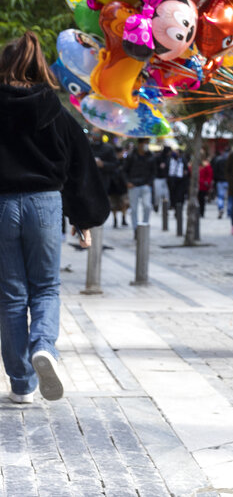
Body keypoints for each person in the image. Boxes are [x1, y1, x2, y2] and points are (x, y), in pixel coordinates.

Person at [0, 31, 109, 403]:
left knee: (12, 295)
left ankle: (21, 384)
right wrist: (83, 217)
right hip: (45, 204)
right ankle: (43, 346)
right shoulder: (55, 111)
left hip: (2, 206)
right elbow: (79, 165)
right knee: (46, 287)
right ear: (40, 66)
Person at [123, 139, 156, 230]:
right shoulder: (131, 155)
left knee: (147, 206)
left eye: (147, 143)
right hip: (133, 185)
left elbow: (153, 172)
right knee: (133, 209)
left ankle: (144, 228)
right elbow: (124, 170)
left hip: (145, 185)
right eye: (144, 143)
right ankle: (136, 229)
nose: (146, 145)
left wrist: (149, 183)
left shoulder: (151, 156)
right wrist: (127, 182)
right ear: (140, 144)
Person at [152, 145, 170, 212]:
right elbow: (154, 167)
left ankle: (166, 208)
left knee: (166, 194)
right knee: (157, 194)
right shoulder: (158, 157)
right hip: (157, 178)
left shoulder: (168, 158)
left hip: (165, 178)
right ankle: (156, 205)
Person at [212, 148, 229, 218]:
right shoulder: (229, 161)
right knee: (229, 197)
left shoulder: (218, 161)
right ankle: (229, 211)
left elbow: (215, 172)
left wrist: (215, 180)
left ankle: (221, 208)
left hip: (220, 181)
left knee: (220, 197)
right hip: (227, 181)